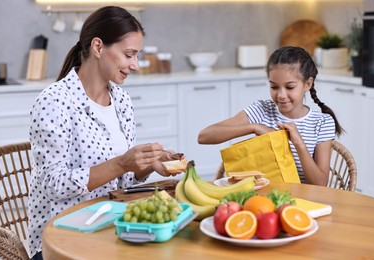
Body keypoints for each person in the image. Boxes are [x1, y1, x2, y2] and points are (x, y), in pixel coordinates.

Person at [28, 6, 182, 259]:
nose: (135, 65)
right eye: (129, 54)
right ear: (98, 47)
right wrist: (123, 163)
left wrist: (147, 164)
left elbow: (121, 182)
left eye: (137, 56)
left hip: (111, 226)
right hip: (62, 238)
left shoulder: (121, 101)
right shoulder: (54, 102)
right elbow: (54, 185)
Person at [198, 46, 343, 186]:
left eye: (290, 87)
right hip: (263, 200)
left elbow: (320, 183)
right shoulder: (262, 110)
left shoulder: (322, 122)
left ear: (307, 84)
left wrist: (298, 143)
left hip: (302, 203)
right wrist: (255, 127)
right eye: (274, 87)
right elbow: (204, 136)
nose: (281, 95)